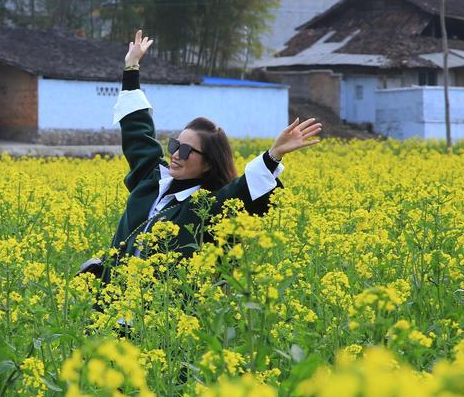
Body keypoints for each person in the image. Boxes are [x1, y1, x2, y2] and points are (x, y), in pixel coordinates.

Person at [87, 30, 321, 278]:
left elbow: (242, 190)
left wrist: (273, 154)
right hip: (115, 306)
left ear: (209, 164)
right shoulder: (152, 180)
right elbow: (137, 133)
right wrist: (131, 67)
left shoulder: (206, 206)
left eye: (187, 150)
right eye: (175, 145)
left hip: (163, 312)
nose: (177, 154)